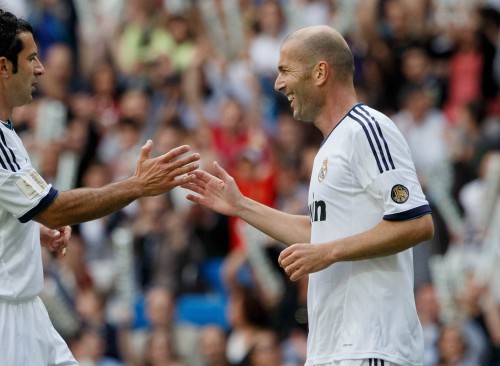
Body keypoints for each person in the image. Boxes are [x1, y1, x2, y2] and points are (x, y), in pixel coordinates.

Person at [0, 9, 199, 366]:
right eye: (32, 58)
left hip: (20, 308)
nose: (40, 69)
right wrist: (137, 186)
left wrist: (27, 232)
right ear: (3, 67)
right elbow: (54, 208)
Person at [182, 25, 434, 366]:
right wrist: (240, 205)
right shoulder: (331, 146)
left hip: (372, 345)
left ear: (320, 72)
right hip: (330, 349)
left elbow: (417, 223)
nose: (278, 84)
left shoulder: (368, 129)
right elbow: (321, 236)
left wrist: (329, 252)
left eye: (285, 70)